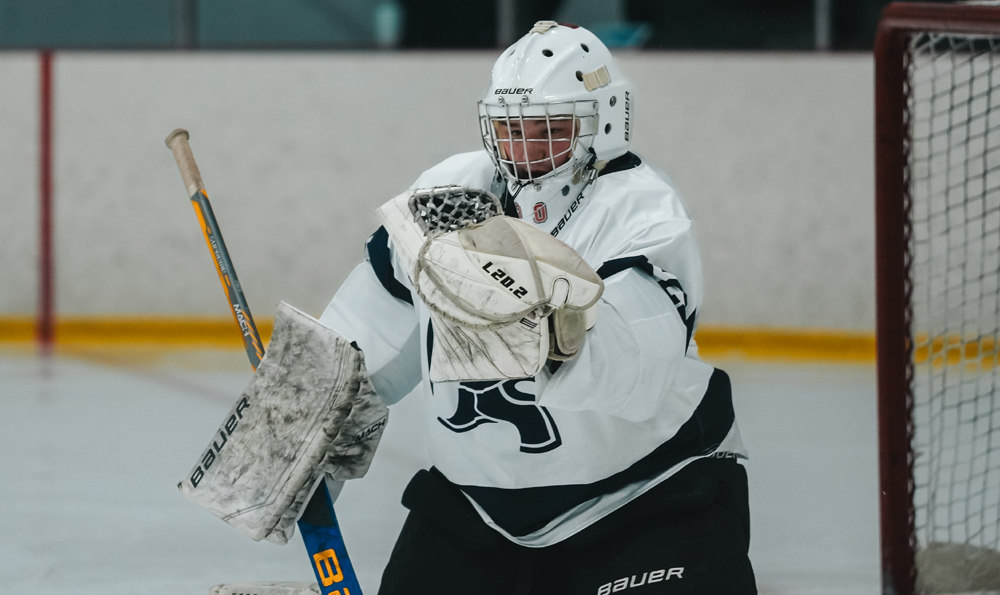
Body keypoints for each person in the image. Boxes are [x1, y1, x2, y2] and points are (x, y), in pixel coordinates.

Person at [319, 21, 756, 595]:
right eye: (508, 131)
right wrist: (308, 424)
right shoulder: (449, 193)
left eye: (547, 131)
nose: (522, 154)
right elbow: (371, 328)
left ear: (602, 124)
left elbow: (638, 368)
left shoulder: (640, 210)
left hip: (650, 498)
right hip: (476, 511)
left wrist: (535, 323)